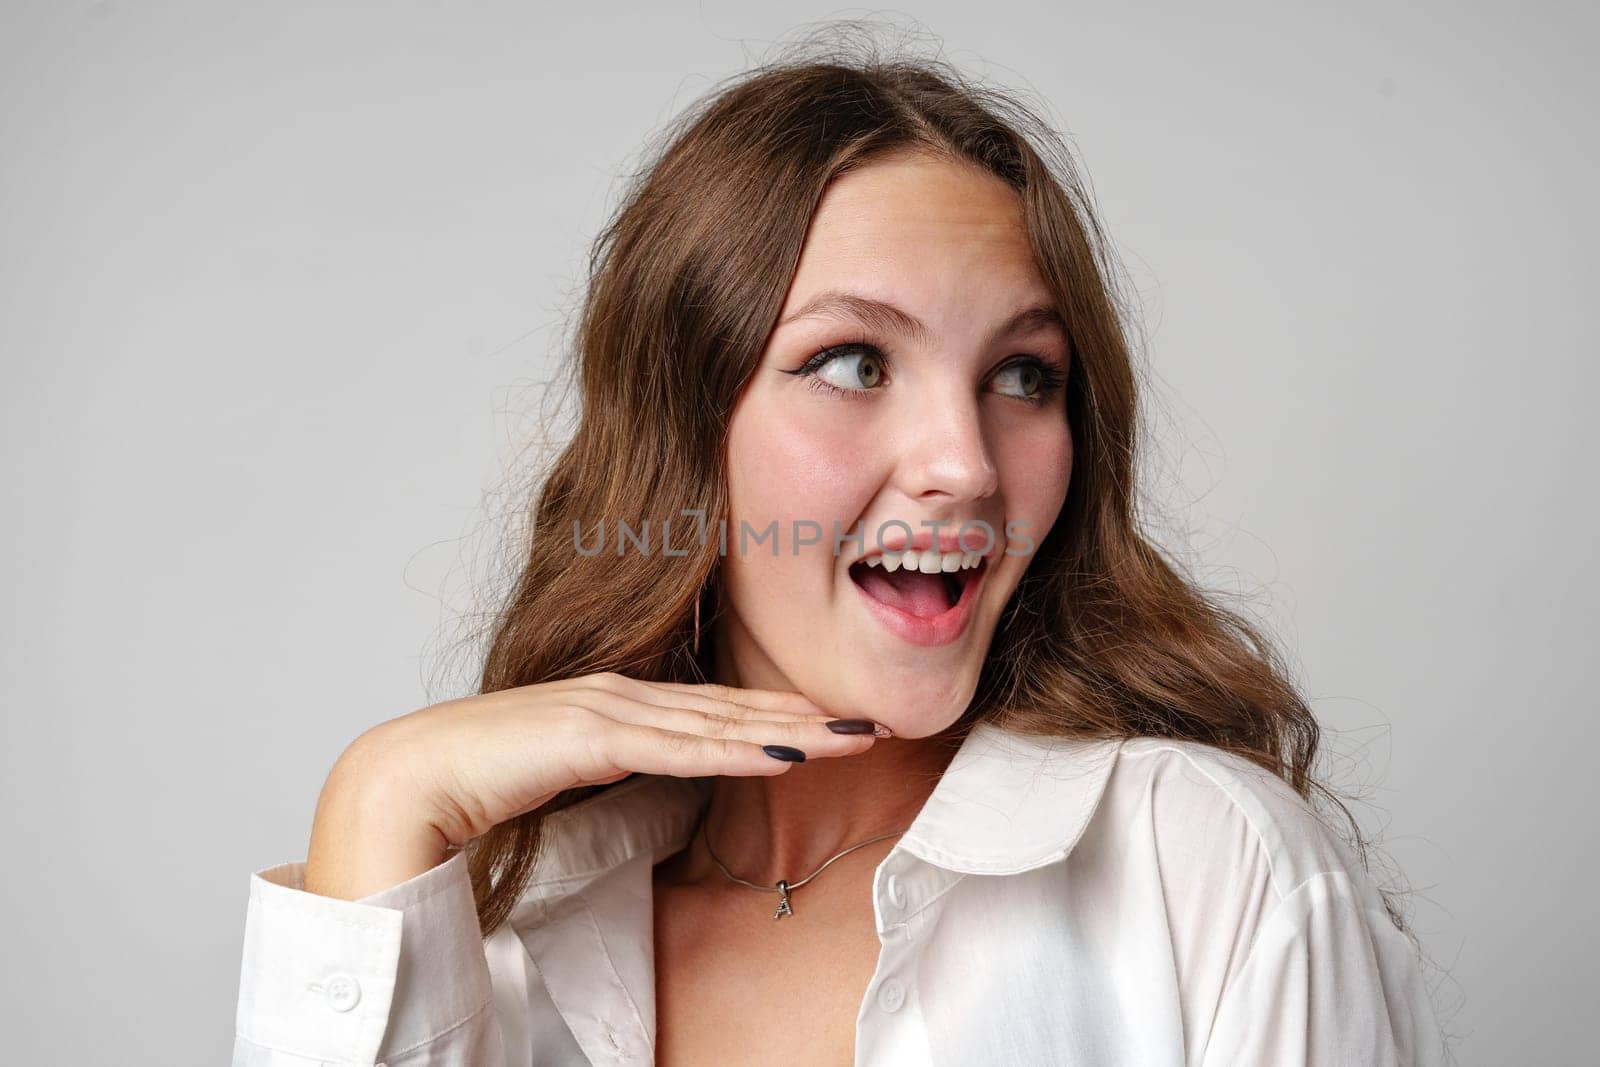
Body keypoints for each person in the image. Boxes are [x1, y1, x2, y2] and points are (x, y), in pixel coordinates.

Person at [231, 40, 1446, 1067]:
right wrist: (378, 798)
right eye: (856, 362)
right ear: (685, 427)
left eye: (1024, 375)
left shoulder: (1206, 867)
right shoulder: (500, 946)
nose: (965, 463)